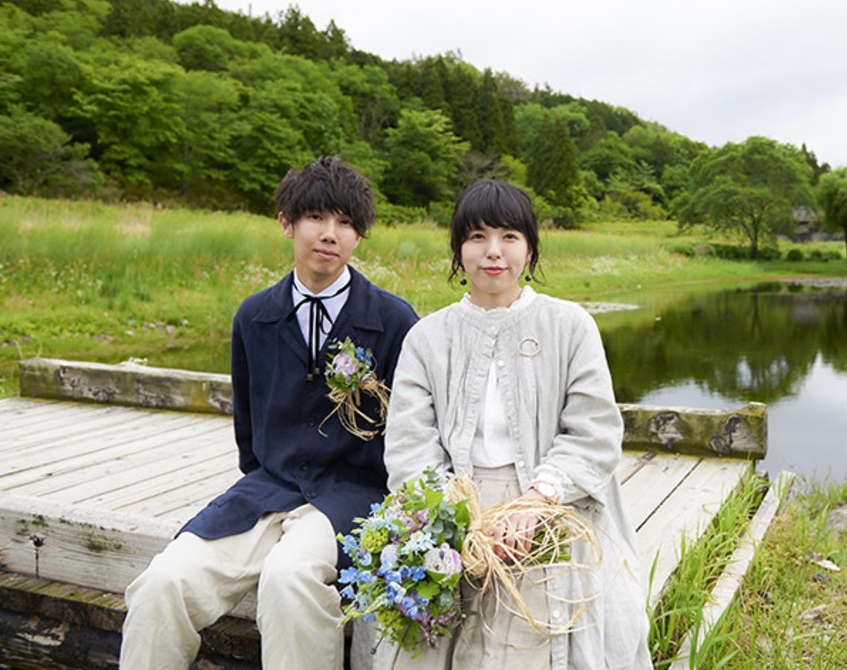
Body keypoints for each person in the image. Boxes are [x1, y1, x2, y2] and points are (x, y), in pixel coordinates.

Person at [120, 155, 419, 670]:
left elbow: (409, 433)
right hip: (267, 489)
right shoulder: (254, 316)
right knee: (163, 581)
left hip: (352, 494)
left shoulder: (394, 320)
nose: (330, 234)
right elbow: (248, 426)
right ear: (287, 223)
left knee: (290, 577)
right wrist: (268, 484)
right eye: (316, 218)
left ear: (359, 235)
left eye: (346, 223)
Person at [358, 180, 651, 670]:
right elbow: (410, 448)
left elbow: (594, 433)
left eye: (509, 236)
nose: (493, 251)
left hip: (553, 501)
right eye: (477, 237)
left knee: (534, 638)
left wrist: (536, 502)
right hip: (454, 504)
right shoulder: (426, 338)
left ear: (530, 249)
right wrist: (459, 519)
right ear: (458, 250)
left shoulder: (571, 326)